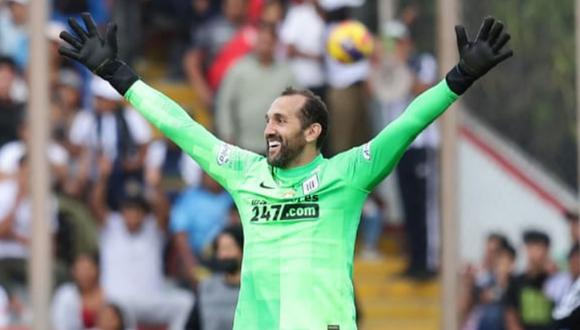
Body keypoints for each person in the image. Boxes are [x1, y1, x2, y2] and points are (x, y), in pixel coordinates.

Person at [58, 13, 512, 329]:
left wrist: (459, 78)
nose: (268, 128)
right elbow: (182, 127)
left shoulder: (348, 175)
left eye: (281, 120)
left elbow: (408, 123)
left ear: (312, 130)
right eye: (268, 119)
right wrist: (118, 74)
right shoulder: (245, 172)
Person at [89, 154, 193, 330]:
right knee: (119, 310)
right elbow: (95, 205)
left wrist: (154, 185)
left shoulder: (152, 229)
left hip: (151, 300)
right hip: (119, 303)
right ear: (121, 212)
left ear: (144, 213)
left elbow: (164, 212)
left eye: (137, 210)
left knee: (186, 302)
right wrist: (103, 177)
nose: (132, 215)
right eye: (128, 210)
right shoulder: (111, 227)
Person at [215, 22, 296, 154]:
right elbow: (224, 103)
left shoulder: (287, 73)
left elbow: (297, 108)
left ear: (275, 44)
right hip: (242, 146)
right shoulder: (238, 69)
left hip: (277, 148)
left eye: (268, 42)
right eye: (261, 41)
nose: (264, 46)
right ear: (255, 42)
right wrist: (227, 134)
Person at [171, 171, 233, 286]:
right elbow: (180, 235)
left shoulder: (232, 196)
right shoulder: (189, 197)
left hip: (227, 256)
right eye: (207, 173)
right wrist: (192, 268)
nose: (211, 177)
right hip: (197, 257)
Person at [186, 225, 244, 330]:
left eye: (228, 249)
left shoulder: (253, 290)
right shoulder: (207, 287)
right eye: (220, 249)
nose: (223, 255)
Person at [504, 230, 555, 330]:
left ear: (547, 250)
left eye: (540, 248)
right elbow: (511, 317)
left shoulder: (556, 281)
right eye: (532, 247)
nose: (536, 253)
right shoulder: (516, 282)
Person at [52, 253, 105, 330]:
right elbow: (59, 323)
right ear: (73, 272)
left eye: (88, 269)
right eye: (80, 270)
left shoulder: (109, 293)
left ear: (97, 270)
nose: (84, 274)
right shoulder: (65, 295)